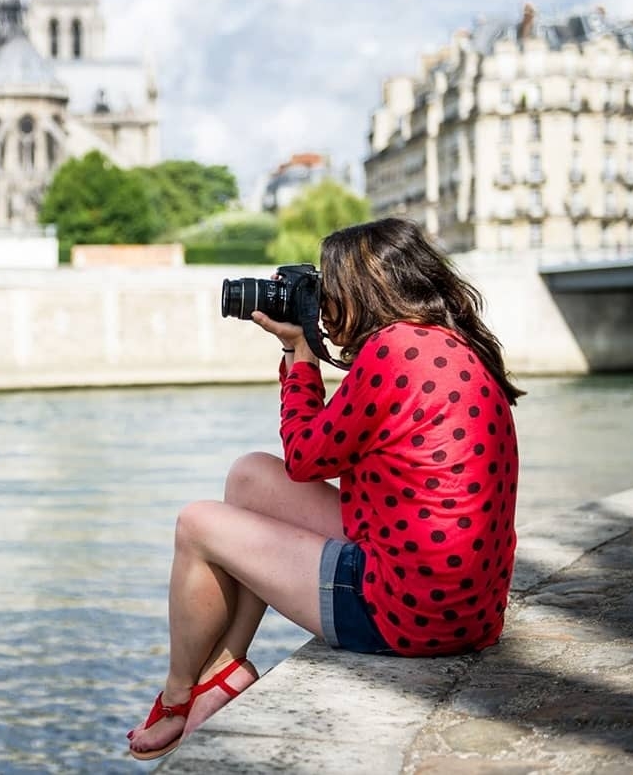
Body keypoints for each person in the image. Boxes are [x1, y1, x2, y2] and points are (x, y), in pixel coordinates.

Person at [127, 217, 524, 761]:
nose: (323, 308)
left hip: (408, 614)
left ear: (363, 290)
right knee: (249, 476)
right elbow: (302, 468)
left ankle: (176, 695)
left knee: (198, 523)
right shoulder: (446, 342)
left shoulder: (391, 351)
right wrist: (305, 352)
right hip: (465, 605)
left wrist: (302, 360)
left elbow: (307, 457)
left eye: (329, 292)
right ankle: (222, 673)